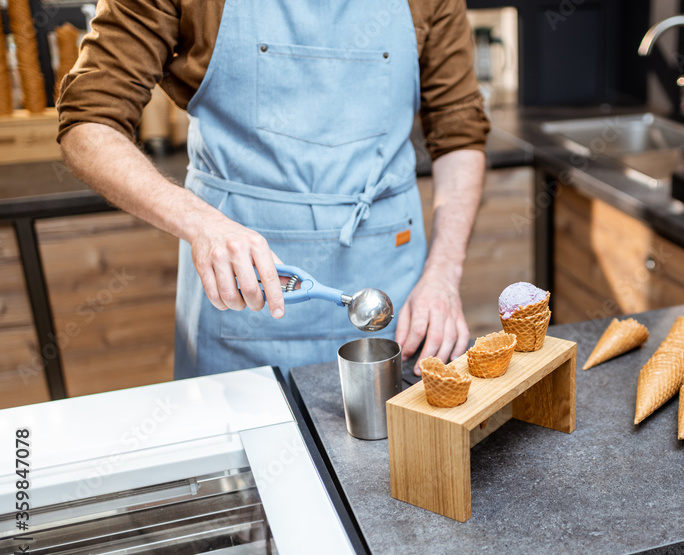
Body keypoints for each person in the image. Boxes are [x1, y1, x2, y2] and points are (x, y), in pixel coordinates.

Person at [57, 0, 489, 379]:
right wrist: (202, 224)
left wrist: (444, 275)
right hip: (243, 294)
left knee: (395, 462)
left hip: (393, 283)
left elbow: (459, 135)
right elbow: (88, 122)